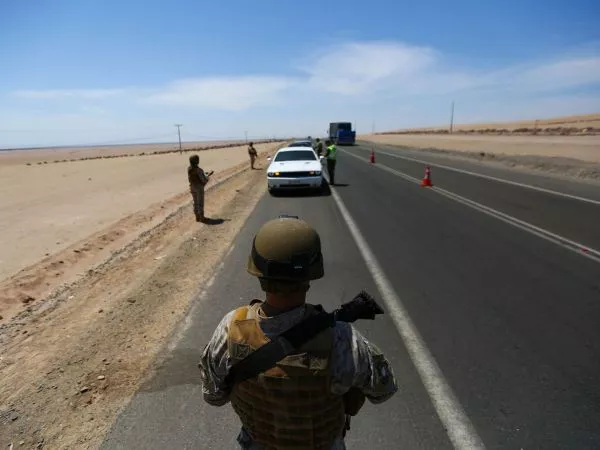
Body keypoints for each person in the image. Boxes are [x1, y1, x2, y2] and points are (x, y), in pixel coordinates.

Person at [199, 217, 397, 449]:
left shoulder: (231, 328)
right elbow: (383, 390)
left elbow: (213, 396)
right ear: (311, 275)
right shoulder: (342, 338)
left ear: (258, 272)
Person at [187, 154, 212, 222]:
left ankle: (197, 217)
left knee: (195, 202)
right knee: (200, 203)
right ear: (197, 161)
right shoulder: (199, 170)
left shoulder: (189, 168)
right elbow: (203, 180)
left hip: (192, 187)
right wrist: (208, 176)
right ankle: (202, 218)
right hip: (199, 188)